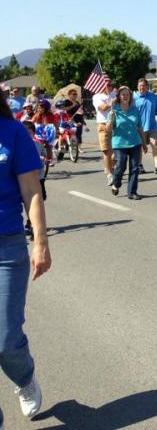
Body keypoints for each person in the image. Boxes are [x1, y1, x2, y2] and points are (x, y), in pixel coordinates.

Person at [0, 96, 51, 426]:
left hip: (7, 247)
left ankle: (25, 378)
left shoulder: (13, 133)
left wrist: (41, 243)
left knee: (5, 339)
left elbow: (32, 191)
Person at [108, 86, 147, 200]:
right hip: (119, 143)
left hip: (135, 142)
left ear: (130, 96)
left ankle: (132, 192)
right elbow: (108, 129)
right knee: (120, 166)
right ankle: (116, 184)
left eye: (127, 94)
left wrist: (144, 143)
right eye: (123, 94)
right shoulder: (114, 109)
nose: (125, 96)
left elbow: (140, 127)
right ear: (119, 96)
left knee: (135, 168)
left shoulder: (135, 110)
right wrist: (111, 118)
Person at [134, 78, 157, 175]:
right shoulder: (134, 98)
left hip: (152, 126)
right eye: (140, 86)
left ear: (147, 87)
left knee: (155, 144)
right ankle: (140, 165)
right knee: (140, 146)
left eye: (144, 86)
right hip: (140, 127)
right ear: (137, 87)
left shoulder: (152, 96)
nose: (142, 88)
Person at [21, 121, 47, 237]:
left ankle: (35, 223)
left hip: (38, 177)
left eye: (30, 133)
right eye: (25, 133)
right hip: (25, 179)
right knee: (27, 200)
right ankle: (30, 222)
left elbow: (45, 155)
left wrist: (45, 158)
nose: (28, 136)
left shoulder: (38, 144)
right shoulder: (18, 146)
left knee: (39, 200)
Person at [92, 84, 115, 185]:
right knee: (106, 151)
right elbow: (102, 108)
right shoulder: (97, 96)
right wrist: (112, 103)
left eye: (110, 85)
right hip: (103, 125)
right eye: (106, 85)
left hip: (115, 124)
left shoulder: (114, 94)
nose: (108, 87)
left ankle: (110, 167)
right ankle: (109, 174)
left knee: (115, 151)